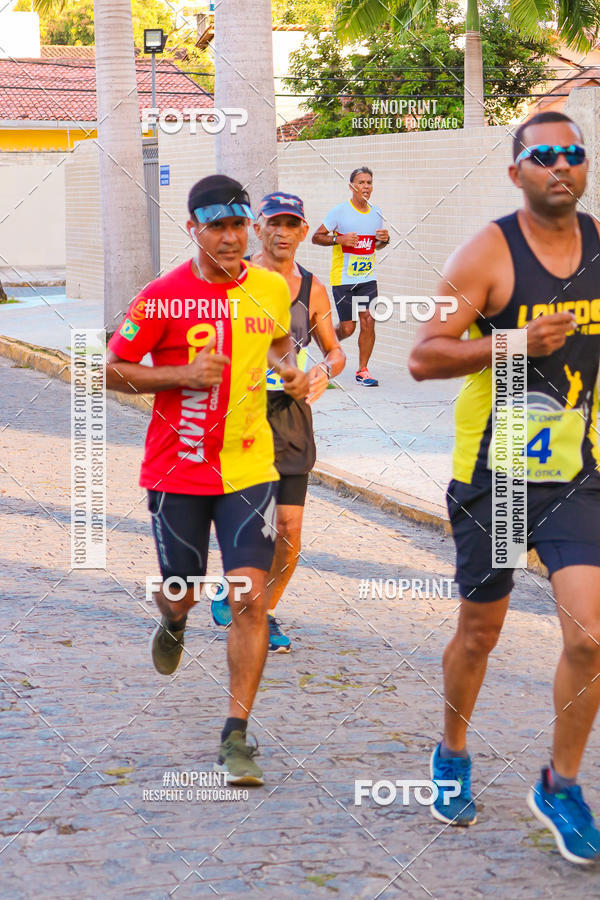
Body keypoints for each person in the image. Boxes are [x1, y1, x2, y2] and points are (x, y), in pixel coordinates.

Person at [409, 111, 600, 863]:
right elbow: (424, 356)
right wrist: (513, 342)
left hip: (574, 470)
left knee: (589, 637)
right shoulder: (490, 250)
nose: (561, 166)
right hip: (495, 469)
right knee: (481, 632)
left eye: (574, 155)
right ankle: (452, 749)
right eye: (544, 155)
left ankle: (561, 783)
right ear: (515, 170)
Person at [106, 174, 309, 786]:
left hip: (250, 468)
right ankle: (173, 619)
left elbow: (276, 346)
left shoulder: (270, 287)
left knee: (249, 598)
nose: (230, 237)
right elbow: (112, 370)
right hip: (177, 470)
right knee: (183, 589)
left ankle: (236, 737)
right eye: (216, 226)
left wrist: (292, 372)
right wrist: (181, 376)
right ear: (192, 227)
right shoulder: (162, 296)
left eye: (237, 225)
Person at [210, 192, 346, 652]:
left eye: (292, 225)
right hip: (236, 415)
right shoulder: (232, 278)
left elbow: (335, 349)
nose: (282, 233)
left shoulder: (312, 289)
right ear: (257, 227)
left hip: (289, 417)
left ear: (304, 232)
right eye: (274, 223)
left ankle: (260, 608)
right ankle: (248, 606)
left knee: (288, 533)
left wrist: (323, 372)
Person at [312, 167, 389, 387]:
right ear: (351, 186)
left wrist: (384, 240)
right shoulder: (339, 212)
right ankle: (327, 346)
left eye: (369, 182)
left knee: (369, 321)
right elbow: (316, 237)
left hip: (367, 278)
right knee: (348, 327)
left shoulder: (376, 212)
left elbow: (375, 246)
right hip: (343, 279)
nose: (366, 186)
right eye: (361, 182)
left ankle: (363, 370)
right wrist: (339, 239)